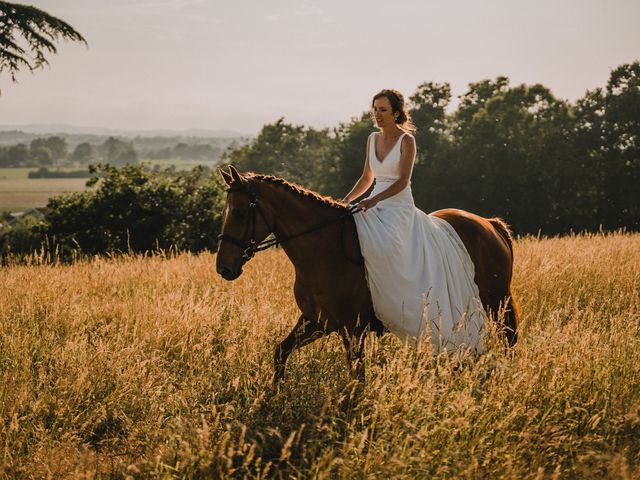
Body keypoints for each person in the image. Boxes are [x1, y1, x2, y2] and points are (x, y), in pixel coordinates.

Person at [342, 89, 487, 354]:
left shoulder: (406, 141)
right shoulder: (372, 138)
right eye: (375, 109)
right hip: (373, 200)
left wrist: (373, 202)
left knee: (386, 245)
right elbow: (366, 178)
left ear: (396, 113)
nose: (377, 114)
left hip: (398, 205)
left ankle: (398, 306)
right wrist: (345, 201)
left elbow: (402, 181)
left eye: (383, 110)